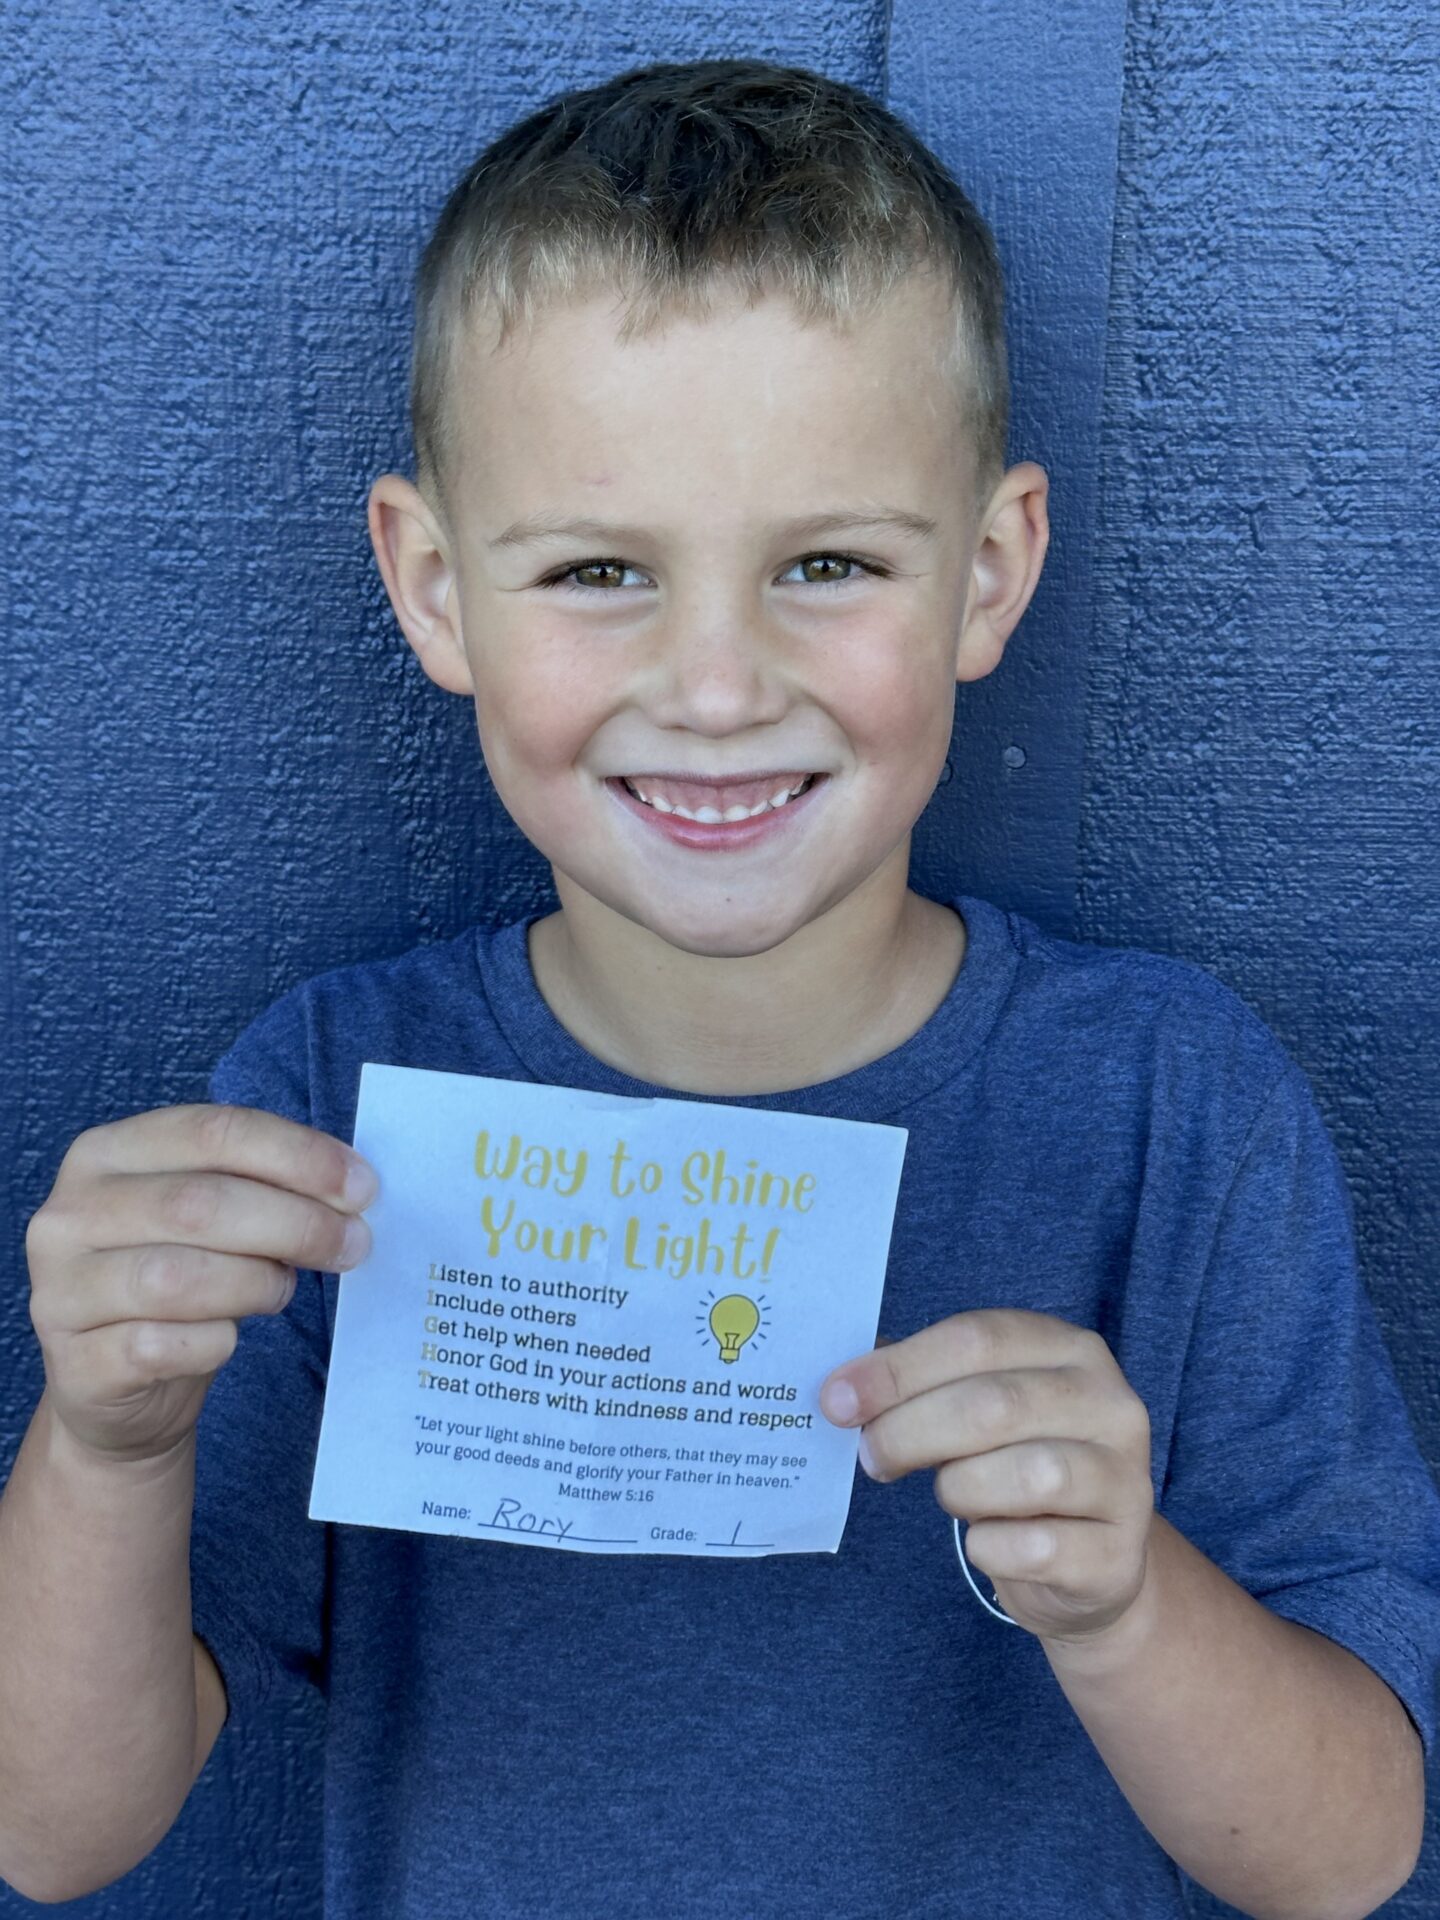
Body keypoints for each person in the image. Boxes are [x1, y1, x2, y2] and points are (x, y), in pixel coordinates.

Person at [2, 54, 1436, 1919]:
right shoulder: (328, 1113)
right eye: (600, 570)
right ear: (431, 587)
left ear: (988, 573)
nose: (715, 685)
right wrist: (106, 1444)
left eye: (825, 562)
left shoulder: (1173, 1110)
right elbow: (54, 1829)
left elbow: (1350, 1858)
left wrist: (1125, 1604)